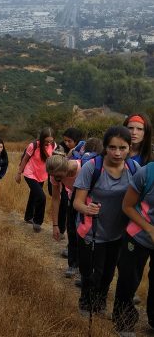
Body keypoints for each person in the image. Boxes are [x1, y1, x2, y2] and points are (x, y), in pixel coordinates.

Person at [73, 126, 139, 317]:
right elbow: (77, 202)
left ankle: (100, 302)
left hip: (118, 233)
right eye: (112, 147)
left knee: (108, 273)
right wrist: (87, 209)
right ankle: (86, 302)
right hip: (91, 232)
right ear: (105, 147)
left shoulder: (134, 169)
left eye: (123, 148)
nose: (117, 153)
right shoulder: (92, 167)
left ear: (129, 148)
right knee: (92, 273)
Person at [113, 161, 154, 335]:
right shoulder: (146, 173)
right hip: (138, 235)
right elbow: (127, 206)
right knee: (129, 279)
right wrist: (149, 229)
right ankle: (124, 321)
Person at [46, 154, 82, 278]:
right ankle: (73, 265)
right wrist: (55, 225)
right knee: (71, 231)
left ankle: (86, 271)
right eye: (53, 176)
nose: (56, 179)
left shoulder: (82, 168)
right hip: (73, 200)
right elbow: (56, 199)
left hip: (88, 201)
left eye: (59, 176)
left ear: (65, 168)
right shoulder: (55, 176)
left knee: (84, 235)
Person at [16, 127, 56, 232]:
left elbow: (52, 160)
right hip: (30, 173)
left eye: (51, 141)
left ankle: (28, 217)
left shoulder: (54, 146)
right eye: (46, 141)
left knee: (34, 195)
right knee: (41, 197)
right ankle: (38, 222)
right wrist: (19, 173)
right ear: (42, 138)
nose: (49, 143)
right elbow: (25, 159)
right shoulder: (33, 146)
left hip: (42, 175)